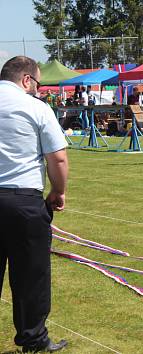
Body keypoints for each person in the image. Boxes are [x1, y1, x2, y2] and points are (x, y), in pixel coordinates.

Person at [0, 56, 69, 352]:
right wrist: (58, 191)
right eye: (38, 83)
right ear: (27, 79)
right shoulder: (35, 107)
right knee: (30, 274)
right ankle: (33, 338)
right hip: (23, 199)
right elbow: (58, 157)